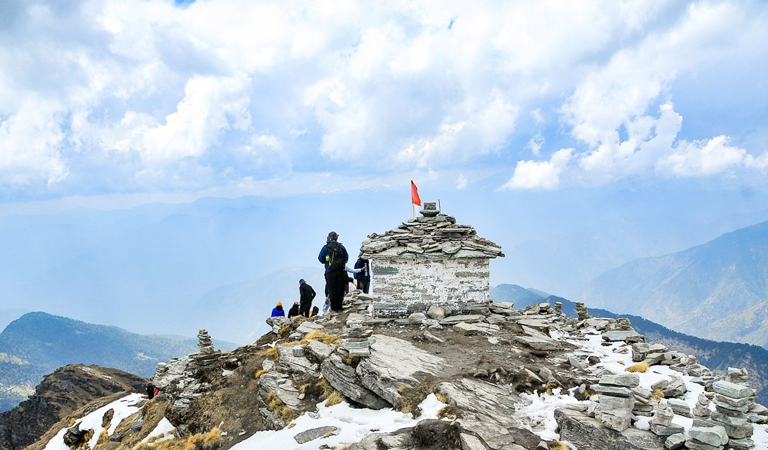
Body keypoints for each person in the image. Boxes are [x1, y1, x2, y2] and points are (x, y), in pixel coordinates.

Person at [318, 231, 348, 312]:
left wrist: (327, 262)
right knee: (340, 288)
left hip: (329, 271)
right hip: (340, 271)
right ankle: (339, 306)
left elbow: (320, 259)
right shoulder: (341, 247)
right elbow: (346, 257)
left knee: (332, 289)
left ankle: (334, 307)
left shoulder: (325, 247)